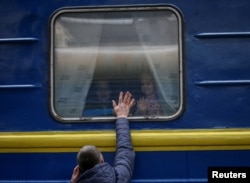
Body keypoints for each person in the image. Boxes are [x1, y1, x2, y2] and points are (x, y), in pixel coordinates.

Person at [71, 91, 136, 183]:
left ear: (77, 170)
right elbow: (124, 152)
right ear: (101, 161)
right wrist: (122, 117)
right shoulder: (118, 178)